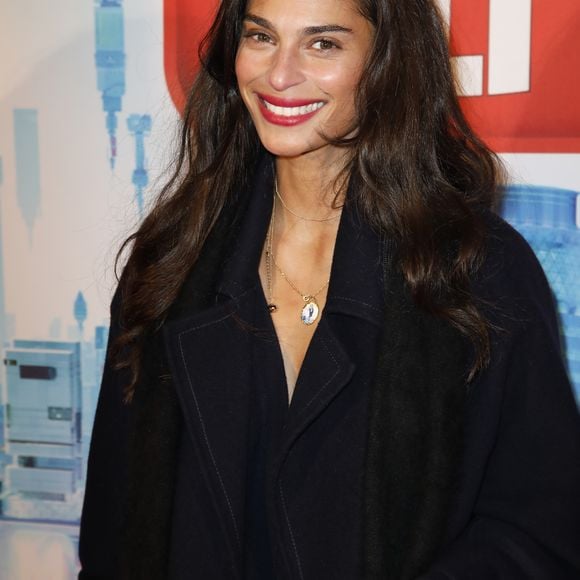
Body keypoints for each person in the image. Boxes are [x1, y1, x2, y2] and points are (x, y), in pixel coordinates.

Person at [78, 0, 580, 578]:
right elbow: (115, 526)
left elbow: (535, 530)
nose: (279, 74)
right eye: (261, 37)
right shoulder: (173, 261)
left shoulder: (478, 269)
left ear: (388, 61)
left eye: (323, 44)